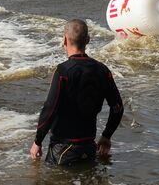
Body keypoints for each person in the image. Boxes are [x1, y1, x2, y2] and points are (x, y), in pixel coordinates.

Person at [30, 18, 124, 166]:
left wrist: (37, 141)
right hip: (89, 147)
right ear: (87, 40)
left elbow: (50, 109)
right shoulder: (102, 70)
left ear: (64, 40)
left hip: (63, 149)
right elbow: (117, 107)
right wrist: (106, 136)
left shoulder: (63, 71)